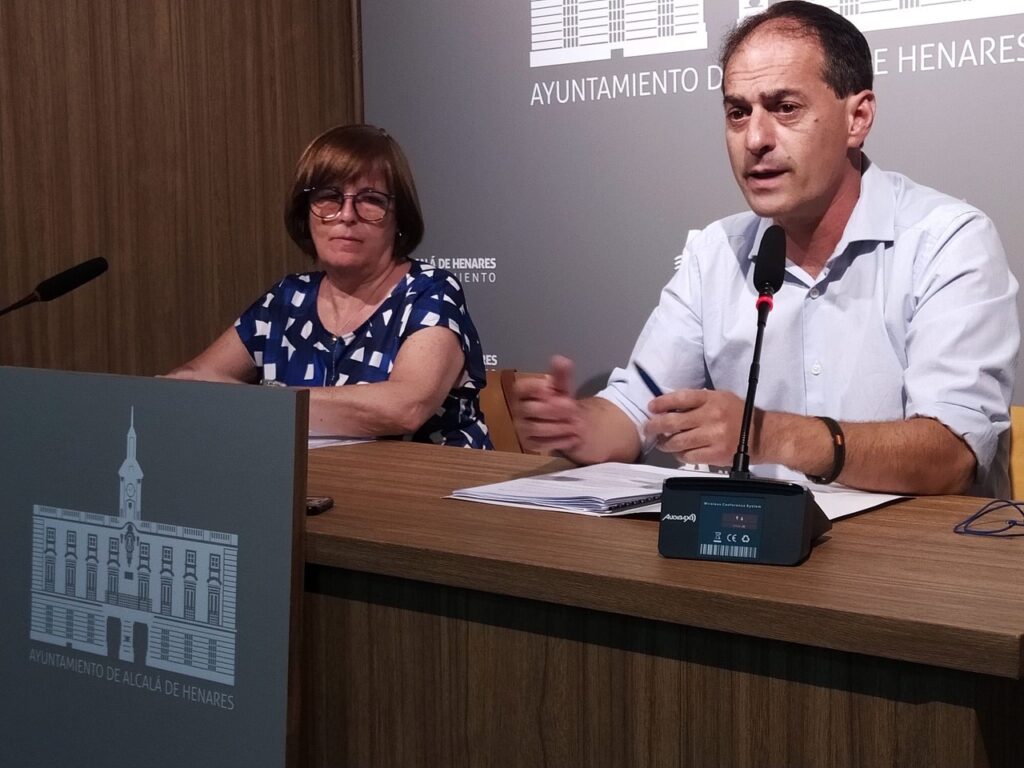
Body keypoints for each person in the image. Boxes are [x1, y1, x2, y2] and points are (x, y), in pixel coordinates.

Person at [513, 1, 1018, 496]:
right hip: (751, 543)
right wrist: (580, 427)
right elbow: (636, 411)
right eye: (738, 113)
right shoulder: (715, 253)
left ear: (858, 118)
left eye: (785, 108)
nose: (755, 138)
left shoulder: (948, 240)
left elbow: (950, 454)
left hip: (906, 549)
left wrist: (771, 435)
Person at [169, 124, 492, 449]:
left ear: (399, 219)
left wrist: (258, 403)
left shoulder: (429, 291)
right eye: (328, 197)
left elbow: (406, 407)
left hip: (430, 478)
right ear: (305, 215)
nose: (346, 215)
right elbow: (189, 381)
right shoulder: (287, 299)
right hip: (317, 479)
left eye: (371, 200)